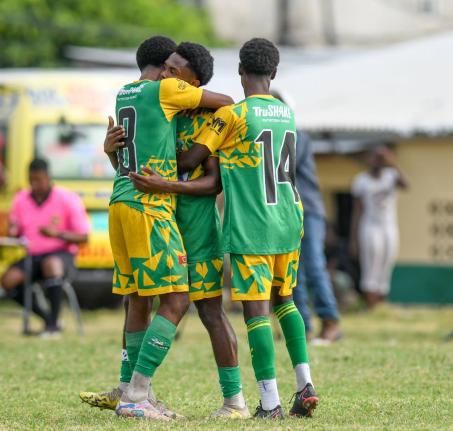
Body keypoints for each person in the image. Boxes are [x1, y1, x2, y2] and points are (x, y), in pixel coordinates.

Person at [149, 38, 318, 419]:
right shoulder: (286, 113)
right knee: (286, 301)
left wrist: (154, 153)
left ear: (240, 72)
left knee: (256, 311)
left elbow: (192, 159)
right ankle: (305, 383)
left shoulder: (234, 116)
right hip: (290, 219)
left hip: (252, 224)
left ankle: (270, 402)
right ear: (273, 74)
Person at [80, 38, 249, 419]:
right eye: (166, 67)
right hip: (156, 217)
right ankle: (132, 389)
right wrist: (114, 153)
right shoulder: (162, 104)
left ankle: (233, 401)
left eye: (176, 72)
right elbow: (141, 170)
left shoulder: (206, 117)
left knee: (209, 311)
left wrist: (170, 181)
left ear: (193, 83)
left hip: (196, 227)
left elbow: (213, 181)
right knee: (138, 300)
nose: (167, 74)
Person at [1, 158, 89, 337]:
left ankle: (54, 325)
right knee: (8, 280)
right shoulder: (21, 199)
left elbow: (84, 237)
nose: (35, 184)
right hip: (32, 255)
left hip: (61, 256)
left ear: (48, 177)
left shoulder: (66, 198)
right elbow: (15, 230)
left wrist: (57, 234)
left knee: (51, 263)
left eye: (39, 180)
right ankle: (48, 319)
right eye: (31, 180)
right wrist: (12, 230)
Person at [350, 146, 409, 308]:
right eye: (376, 157)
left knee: (387, 260)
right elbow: (357, 211)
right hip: (370, 226)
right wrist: (353, 239)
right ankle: (370, 303)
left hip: (389, 226)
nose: (379, 160)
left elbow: (406, 185)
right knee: (372, 262)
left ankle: (382, 302)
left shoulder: (391, 175)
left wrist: (393, 164)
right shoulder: (361, 180)